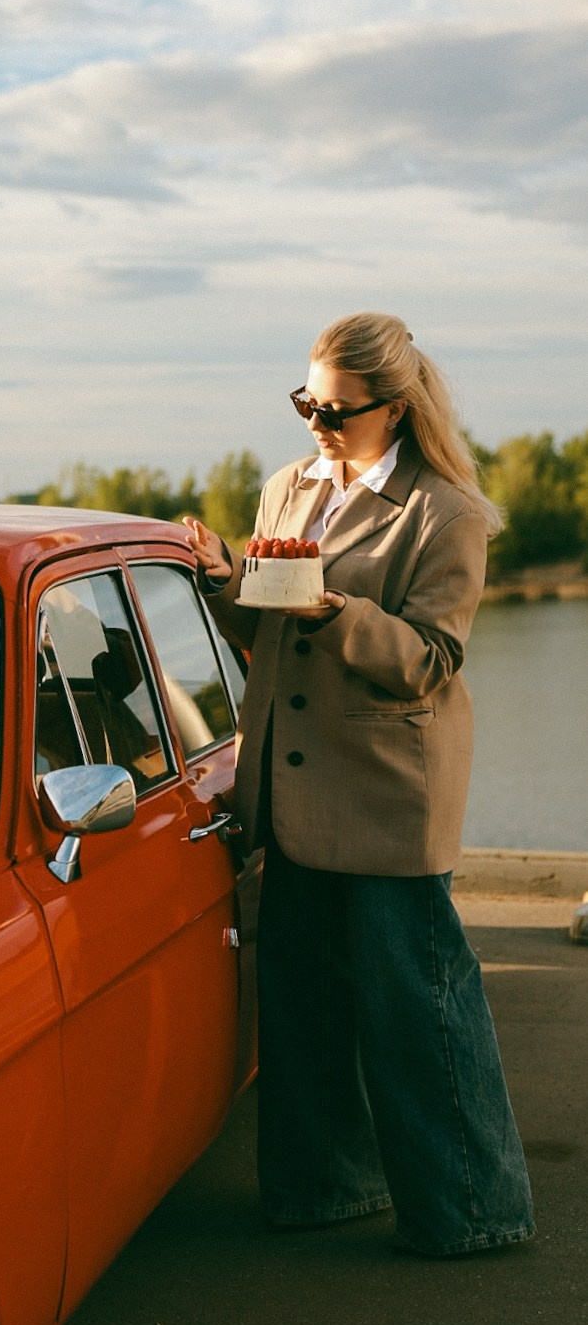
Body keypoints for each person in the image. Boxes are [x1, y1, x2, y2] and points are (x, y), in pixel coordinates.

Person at [184, 311, 534, 1257]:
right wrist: (224, 578)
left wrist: (338, 611)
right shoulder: (286, 490)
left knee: (417, 1014)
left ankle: (473, 1212)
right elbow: (264, 635)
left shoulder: (447, 514)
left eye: (337, 410)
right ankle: (322, 1190)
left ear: (396, 405)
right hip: (289, 792)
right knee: (301, 1012)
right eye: (307, 402)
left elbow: (430, 659)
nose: (317, 425)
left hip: (385, 792)